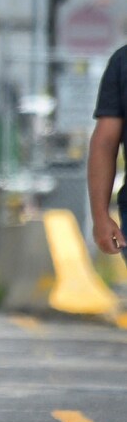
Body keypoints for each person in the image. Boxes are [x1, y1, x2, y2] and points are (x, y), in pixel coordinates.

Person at [89, 44, 127, 262]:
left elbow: (105, 142)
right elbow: (105, 142)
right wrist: (100, 215)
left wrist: (100, 215)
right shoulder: (122, 63)